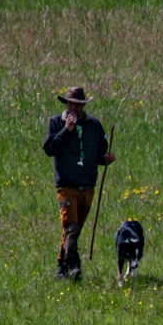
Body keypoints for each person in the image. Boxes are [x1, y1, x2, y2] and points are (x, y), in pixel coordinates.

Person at [42, 86, 115, 279]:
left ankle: (60, 268)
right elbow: (50, 148)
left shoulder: (94, 125)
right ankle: (74, 266)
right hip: (66, 185)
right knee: (71, 227)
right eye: (70, 103)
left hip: (87, 184)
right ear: (66, 103)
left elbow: (100, 152)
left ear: (83, 106)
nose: (73, 107)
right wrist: (67, 130)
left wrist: (105, 158)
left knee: (73, 231)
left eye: (78, 104)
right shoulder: (56, 123)